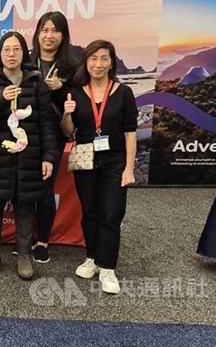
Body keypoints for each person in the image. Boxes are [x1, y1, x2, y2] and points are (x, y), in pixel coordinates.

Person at [0, 32, 57, 280]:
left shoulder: (36, 81)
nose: (11, 54)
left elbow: (46, 123)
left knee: (25, 209)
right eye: (6, 50)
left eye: (16, 49)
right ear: (0, 53)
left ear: (24, 53)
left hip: (29, 157)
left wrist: (48, 157)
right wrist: (0, 99)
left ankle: (23, 254)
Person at [61, 40, 136, 295]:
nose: (98, 64)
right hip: (85, 158)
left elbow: (130, 133)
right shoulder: (76, 91)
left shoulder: (124, 92)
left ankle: (107, 267)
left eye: (104, 58)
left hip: (115, 160)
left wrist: (129, 168)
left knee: (111, 214)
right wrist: (67, 114)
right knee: (90, 212)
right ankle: (92, 257)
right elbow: (68, 132)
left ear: (111, 62)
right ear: (86, 62)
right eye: (93, 59)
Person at [28, 11, 76, 263]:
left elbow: (75, 102)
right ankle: (25, 237)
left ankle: (43, 240)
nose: (49, 35)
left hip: (54, 136)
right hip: (25, 134)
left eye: (54, 30)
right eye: (44, 30)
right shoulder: (27, 61)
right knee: (24, 188)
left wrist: (62, 89)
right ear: (37, 34)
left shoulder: (72, 67)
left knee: (46, 188)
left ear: (63, 35)